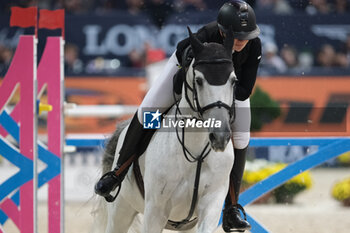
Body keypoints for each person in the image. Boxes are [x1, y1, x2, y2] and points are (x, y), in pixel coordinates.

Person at [94, 1, 261, 232]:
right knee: (147, 114)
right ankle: (118, 173)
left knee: (242, 137)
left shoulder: (254, 46)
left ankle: (232, 207)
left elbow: (245, 89)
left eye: (247, 35)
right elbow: (178, 84)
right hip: (187, 81)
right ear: (223, 32)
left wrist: (219, 99)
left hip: (226, 93)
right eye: (238, 36)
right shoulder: (204, 37)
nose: (243, 41)